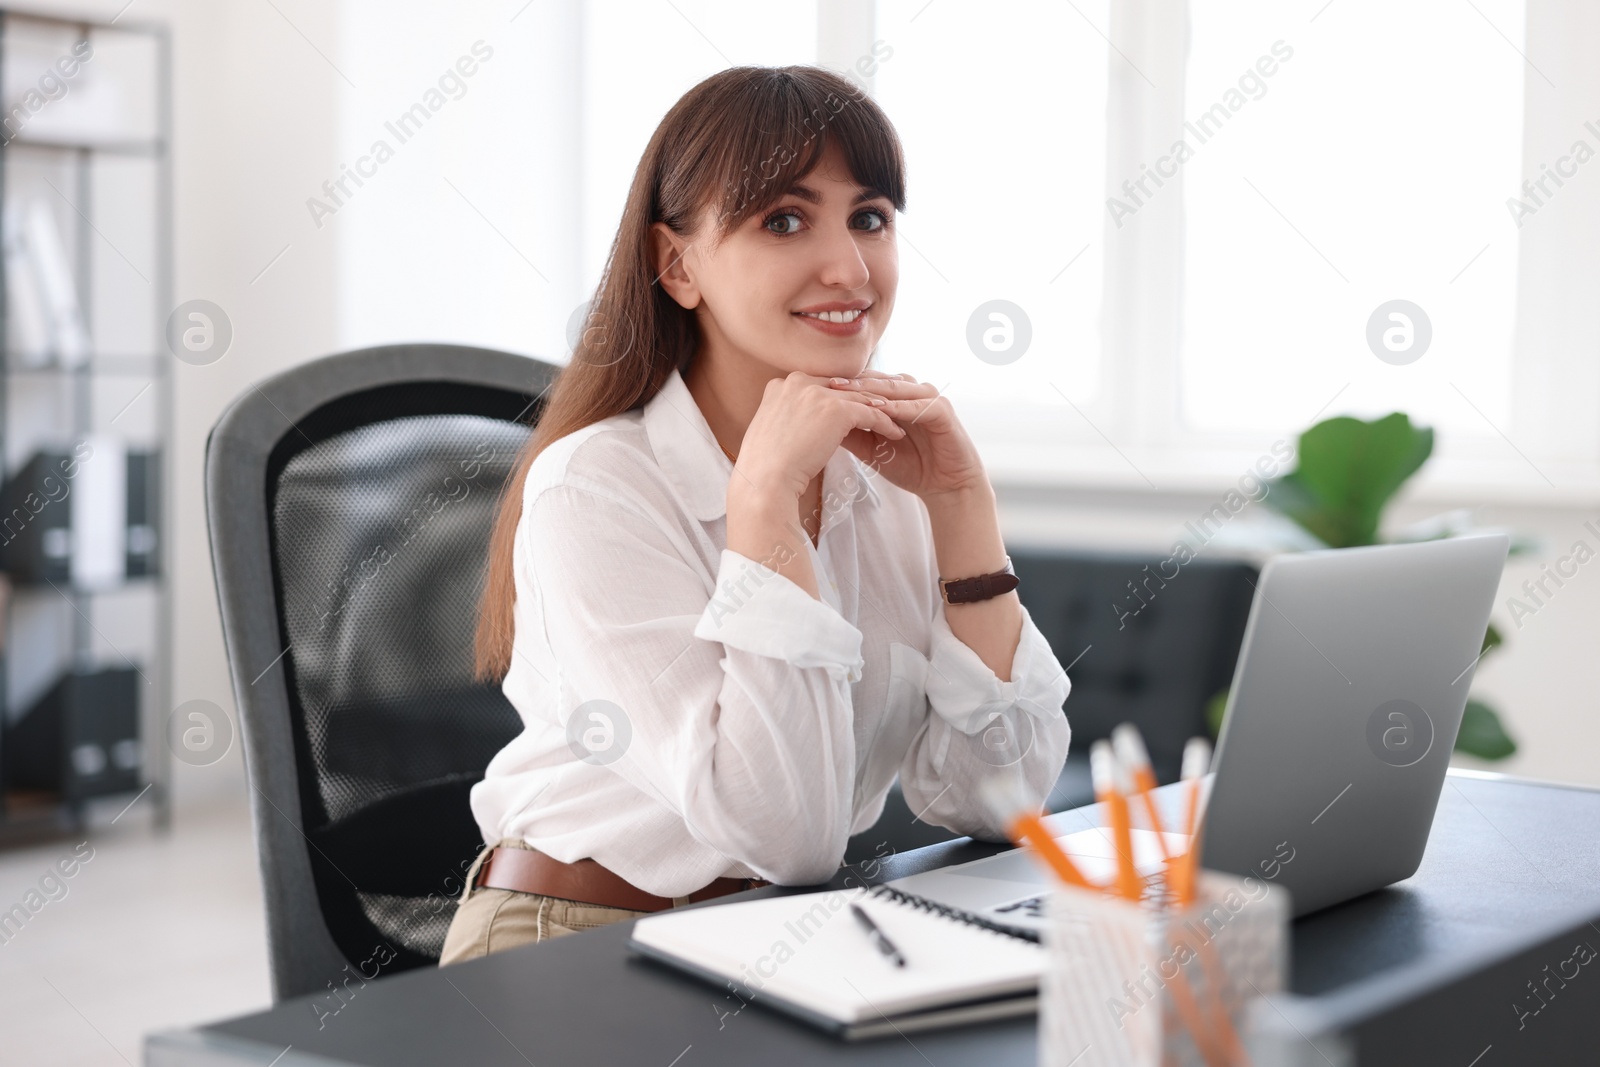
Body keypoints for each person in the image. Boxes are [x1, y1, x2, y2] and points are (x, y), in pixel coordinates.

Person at [439, 64, 1071, 966]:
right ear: (678, 264)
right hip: (569, 948)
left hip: (778, 940)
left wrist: (964, 511)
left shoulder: (889, 479)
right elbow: (786, 834)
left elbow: (998, 800)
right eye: (783, 219)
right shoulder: (596, 486)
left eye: (870, 217)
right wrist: (765, 505)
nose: (849, 267)